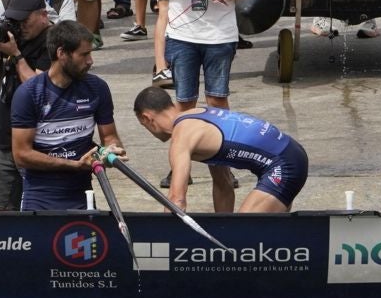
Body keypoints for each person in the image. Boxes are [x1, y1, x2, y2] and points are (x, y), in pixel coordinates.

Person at [133, 86, 310, 213]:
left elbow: (177, 200)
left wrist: (166, 242)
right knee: (259, 242)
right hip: (291, 151)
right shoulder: (199, 113)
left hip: (283, 166)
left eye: (144, 126)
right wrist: (223, 231)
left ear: (147, 118)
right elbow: (223, 184)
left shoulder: (181, 138)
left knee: (242, 243)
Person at [10, 21, 123, 210]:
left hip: (83, 196)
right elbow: (21, 155)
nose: (90, 61)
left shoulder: (97, 88)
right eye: (84, 54)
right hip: (40, 199)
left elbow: (110, 137)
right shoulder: (29, 93)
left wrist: (111, 150)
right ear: (61, 53)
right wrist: (74, 165)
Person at [0, 0, 58, 210]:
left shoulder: (54, 41)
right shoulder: (16, 36)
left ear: (43, 15)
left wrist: (15, 54)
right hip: (7, 139)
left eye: (25, 20)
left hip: (38, 145)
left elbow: (38, 88)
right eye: (16, 20)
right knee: (3, 209)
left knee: (40, 209)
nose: (21, 26)